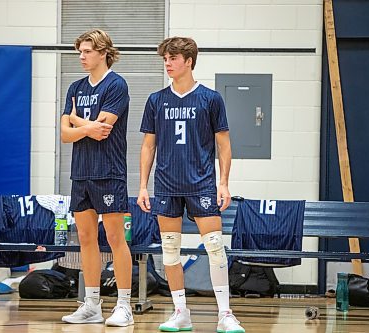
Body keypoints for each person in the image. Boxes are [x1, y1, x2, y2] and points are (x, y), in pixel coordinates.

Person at [137, 37, 245, 333]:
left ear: (189, 61)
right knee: (170, 251)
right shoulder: (156, 100)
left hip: (202, 185)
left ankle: (225, 314)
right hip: (167, 186)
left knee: (215, 247)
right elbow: (148, 147)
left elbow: (224, 146)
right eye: (165, 59)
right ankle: (180, 312)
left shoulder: (210, 99)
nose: (168, 63)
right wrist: (143, 186)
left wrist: (223, 183)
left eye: (173, 58)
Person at [60, 29, 133, 327]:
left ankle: (125, 305)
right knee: (86, 238)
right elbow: (64, 136)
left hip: (109, 172)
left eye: (87, 51)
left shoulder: (116, 85)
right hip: (81, 172)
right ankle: (91, 304)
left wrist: (77, 120)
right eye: (80, 51)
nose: (81, 56)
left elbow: (103, 131)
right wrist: (82, 127)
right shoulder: (75, 87)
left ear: (103, 52)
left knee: (115, 238)